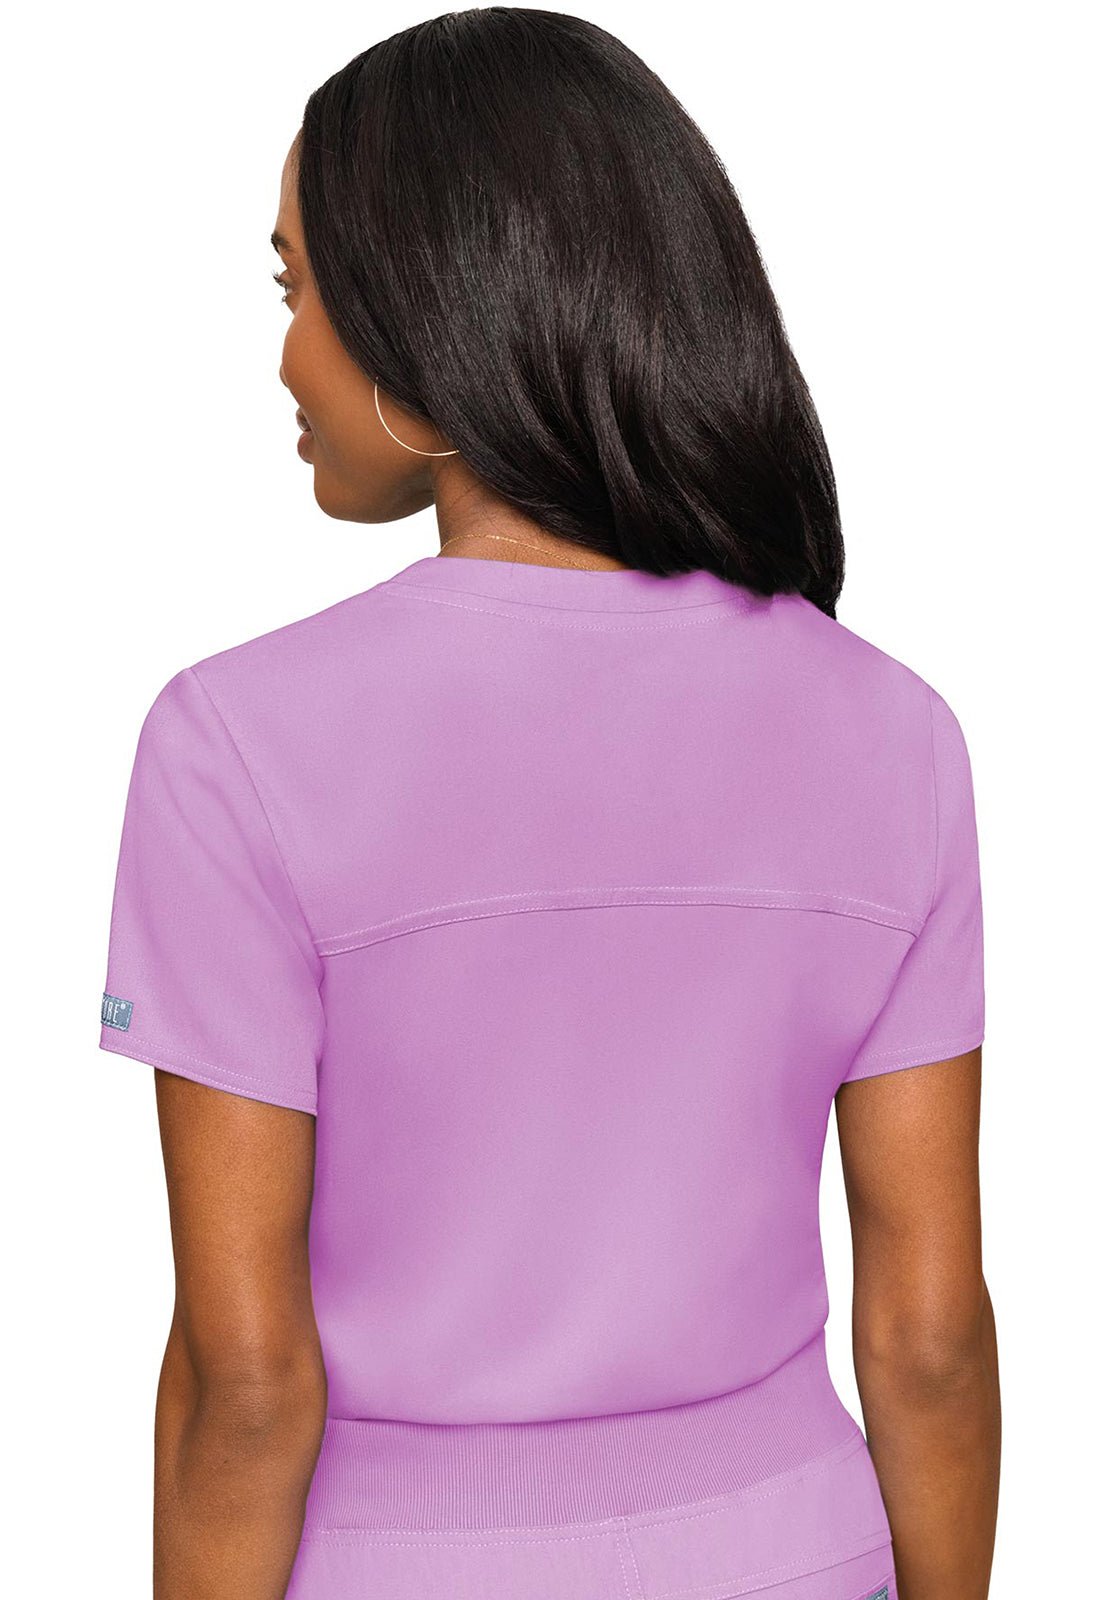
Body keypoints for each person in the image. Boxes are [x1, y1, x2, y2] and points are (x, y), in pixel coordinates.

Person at [97, 10, 1001, 1599]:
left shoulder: (233, 744)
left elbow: (246, 1387)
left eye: (297, 290)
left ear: (430, 312)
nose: (285, 355)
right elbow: (927, 1338)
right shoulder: (897, 734)